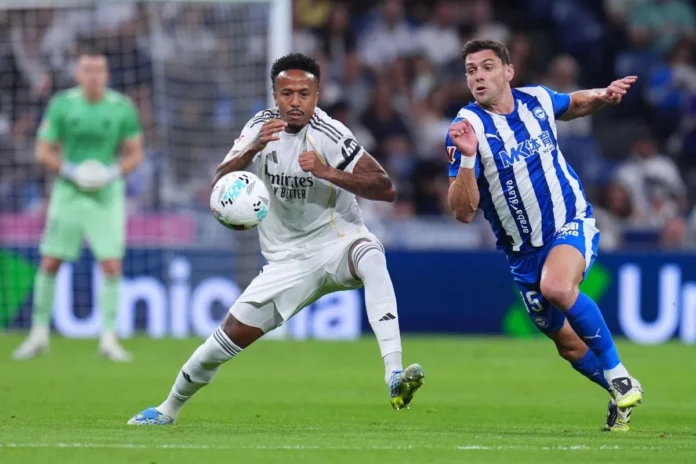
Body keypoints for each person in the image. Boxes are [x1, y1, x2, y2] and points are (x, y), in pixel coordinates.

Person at [127, 53, 424, 425]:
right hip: (286, 262)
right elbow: (220, 180)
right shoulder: (260, 128)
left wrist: (328, 172)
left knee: (372, 255)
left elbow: (386, 188)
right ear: (275, 95)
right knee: (223, 341)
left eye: (304, 94)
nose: (295, 102)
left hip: (337, 243)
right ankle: (168, 409)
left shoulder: (331, 134)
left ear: (317, 97)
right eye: (287, 94)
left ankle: (393, 374)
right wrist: (252, 148)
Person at [446, 40, 642, 431]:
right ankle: (619, 392)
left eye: (487, 67)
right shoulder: (466, 128)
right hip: (522, 254)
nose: (478, 76)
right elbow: (462, 212)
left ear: (508, 72)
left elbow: (573, 104)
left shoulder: (536, 99)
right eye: (471, 70)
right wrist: (468, 157)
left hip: (569, 221)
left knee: (557, 286)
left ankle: (619, 374)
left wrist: (602, 95)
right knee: (568, 345)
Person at [13, 48, 144, 362]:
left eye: (98, 70)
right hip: (69, 191)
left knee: (111, 264)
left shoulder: (122, 108)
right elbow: (43, 150)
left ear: (106, 74)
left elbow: (135, 153)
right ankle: (38, 334)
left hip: (106, 193)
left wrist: (112, 172)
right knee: (50, 261)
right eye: (87, 70)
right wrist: (71, 170)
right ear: (78, 73)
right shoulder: (63, 105)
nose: (93, 76)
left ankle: (109, 338)